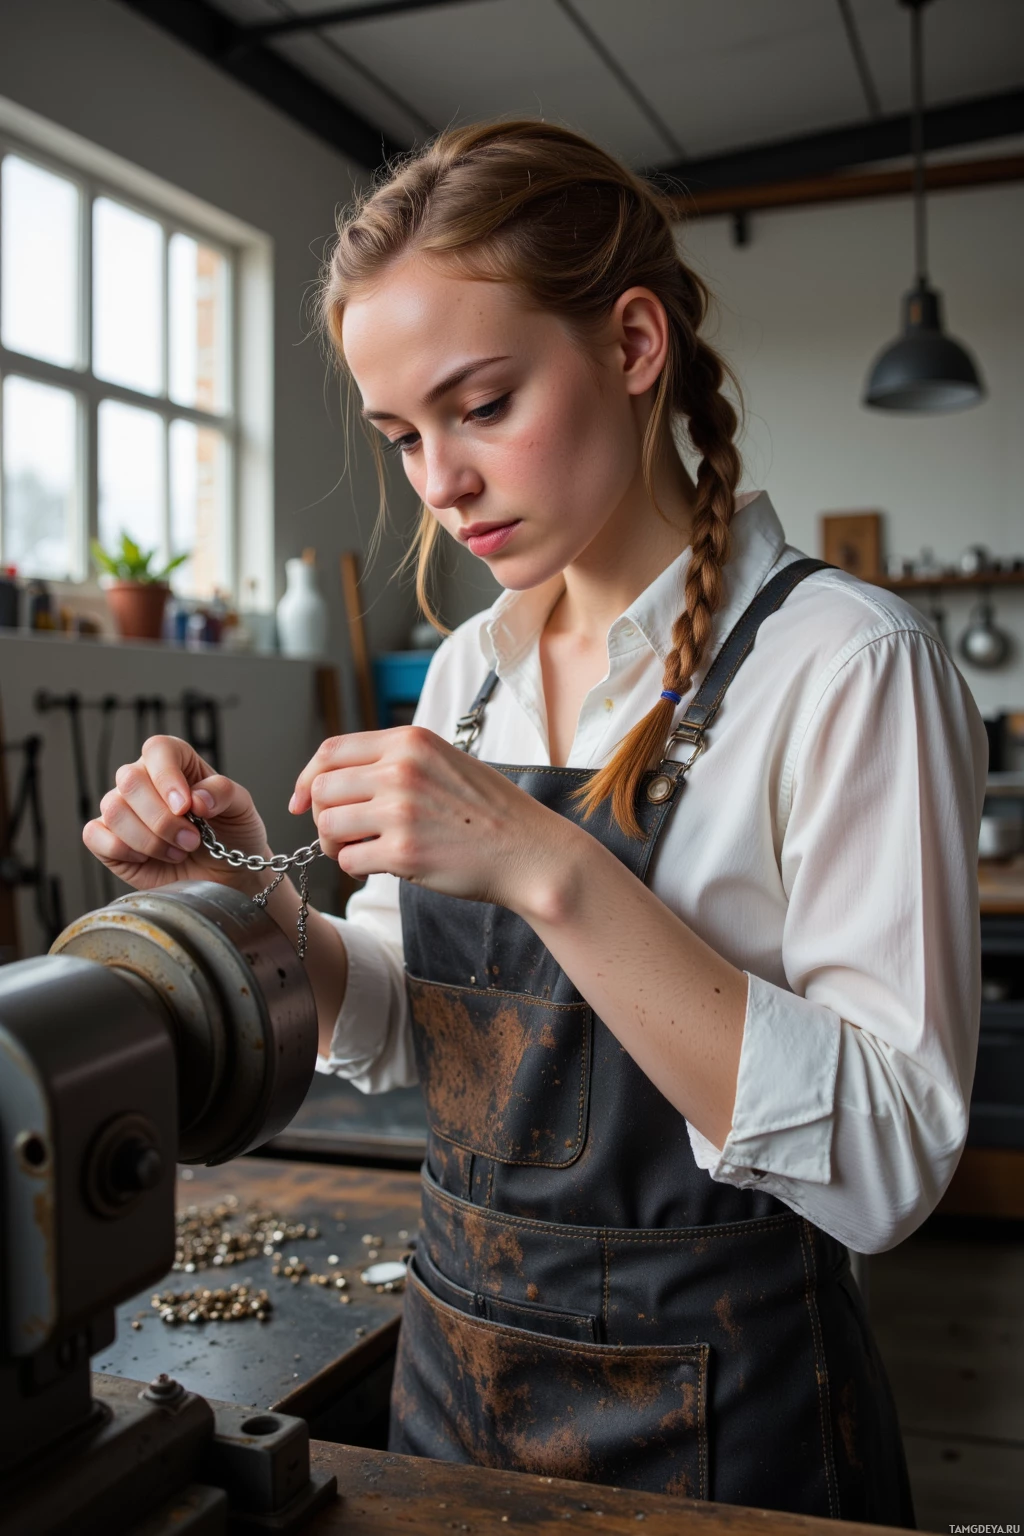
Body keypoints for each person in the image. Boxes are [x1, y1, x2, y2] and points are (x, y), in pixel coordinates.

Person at [84, 119, 987, 1524]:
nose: (439, 484)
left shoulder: (848, 665)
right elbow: (397, 1026)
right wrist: (250, 903)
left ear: (633, 346)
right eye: (402, 437)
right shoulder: (467, 675)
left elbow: (884, 1167)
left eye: (482, 406)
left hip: (733, 1421)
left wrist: (547, 863)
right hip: (452, 1384)